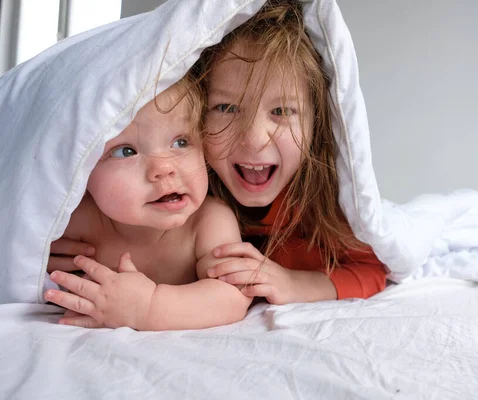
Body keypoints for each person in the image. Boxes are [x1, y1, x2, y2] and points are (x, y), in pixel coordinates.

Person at [49, 0, 388, 306]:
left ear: (318, 124)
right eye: (226, 107)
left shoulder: (323, 204)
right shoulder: (179, 184)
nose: (254, 140)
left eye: (282, 111)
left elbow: (374, 270)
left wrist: (294, 282)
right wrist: (58, 256)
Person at [43, 71, 252, 331]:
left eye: (181, 142)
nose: (164, 168)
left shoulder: (209, 222)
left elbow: (232, 296)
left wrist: (147, 308)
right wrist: (39, 260)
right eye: (125, 151)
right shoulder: (72, 222)